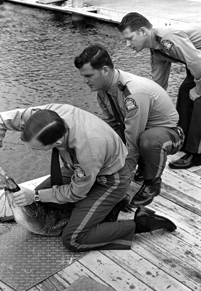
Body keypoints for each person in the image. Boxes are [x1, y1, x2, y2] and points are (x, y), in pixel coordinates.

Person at [0, 103, 176, 251]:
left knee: (74, 239)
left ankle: (140, 223)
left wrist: (34, 197)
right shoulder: (43, 117)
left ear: (58, 142)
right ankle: (110, 206)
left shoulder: (89, 148)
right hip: (75, 168)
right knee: (39, 200)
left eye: (36, 148)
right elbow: (0, 120)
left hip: (109, 179)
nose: (31, 150)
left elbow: (75, 193)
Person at [74, 44, 184, 207]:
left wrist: (122, 177)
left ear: (105, 70)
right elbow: (110, 128)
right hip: (139, 130)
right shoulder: (102, 90)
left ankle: (152, 184)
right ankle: (143, 166)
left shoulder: (133, 93)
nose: (85, 81)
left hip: (169, 135)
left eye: (89, 75)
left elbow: (134, 137)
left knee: (148, 141)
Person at [118, 12, 201, 169]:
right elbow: (158, 84)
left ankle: (196, 154)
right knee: (185, 93)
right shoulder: (156, 51)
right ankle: (183, 140)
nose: (128, 44)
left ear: (143, 31)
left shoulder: (168, 39)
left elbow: (195, 61)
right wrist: (149, 108)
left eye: (130, 38)